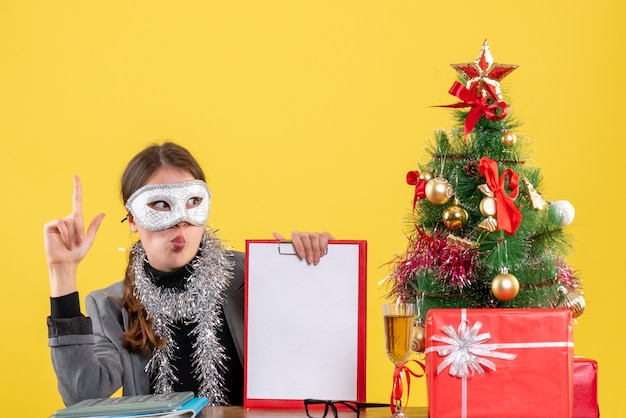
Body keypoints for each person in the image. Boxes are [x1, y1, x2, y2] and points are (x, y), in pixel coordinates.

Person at [44, 142, 334, 407]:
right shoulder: (110, 306)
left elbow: (313, 351)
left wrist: (312, 269)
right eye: (160, 204)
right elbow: (82, 396)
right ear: (132, 219)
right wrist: (62, 273)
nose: (180, 222)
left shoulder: (253, 276)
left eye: (192, 202)